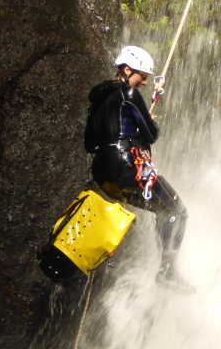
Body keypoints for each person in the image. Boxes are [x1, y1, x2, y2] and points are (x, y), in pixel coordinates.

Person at [84, 45, 191, 289]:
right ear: (127, 69)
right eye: (142, 76)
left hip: (102, 173)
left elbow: (90, 143)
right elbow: (152, 135)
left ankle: (163, 269)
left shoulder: (97, 101)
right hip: (128, 167)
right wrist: (148, 122)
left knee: (162, 209)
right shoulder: (128, 94)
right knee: (176, 210)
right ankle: (167, 271)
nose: (143, 82)